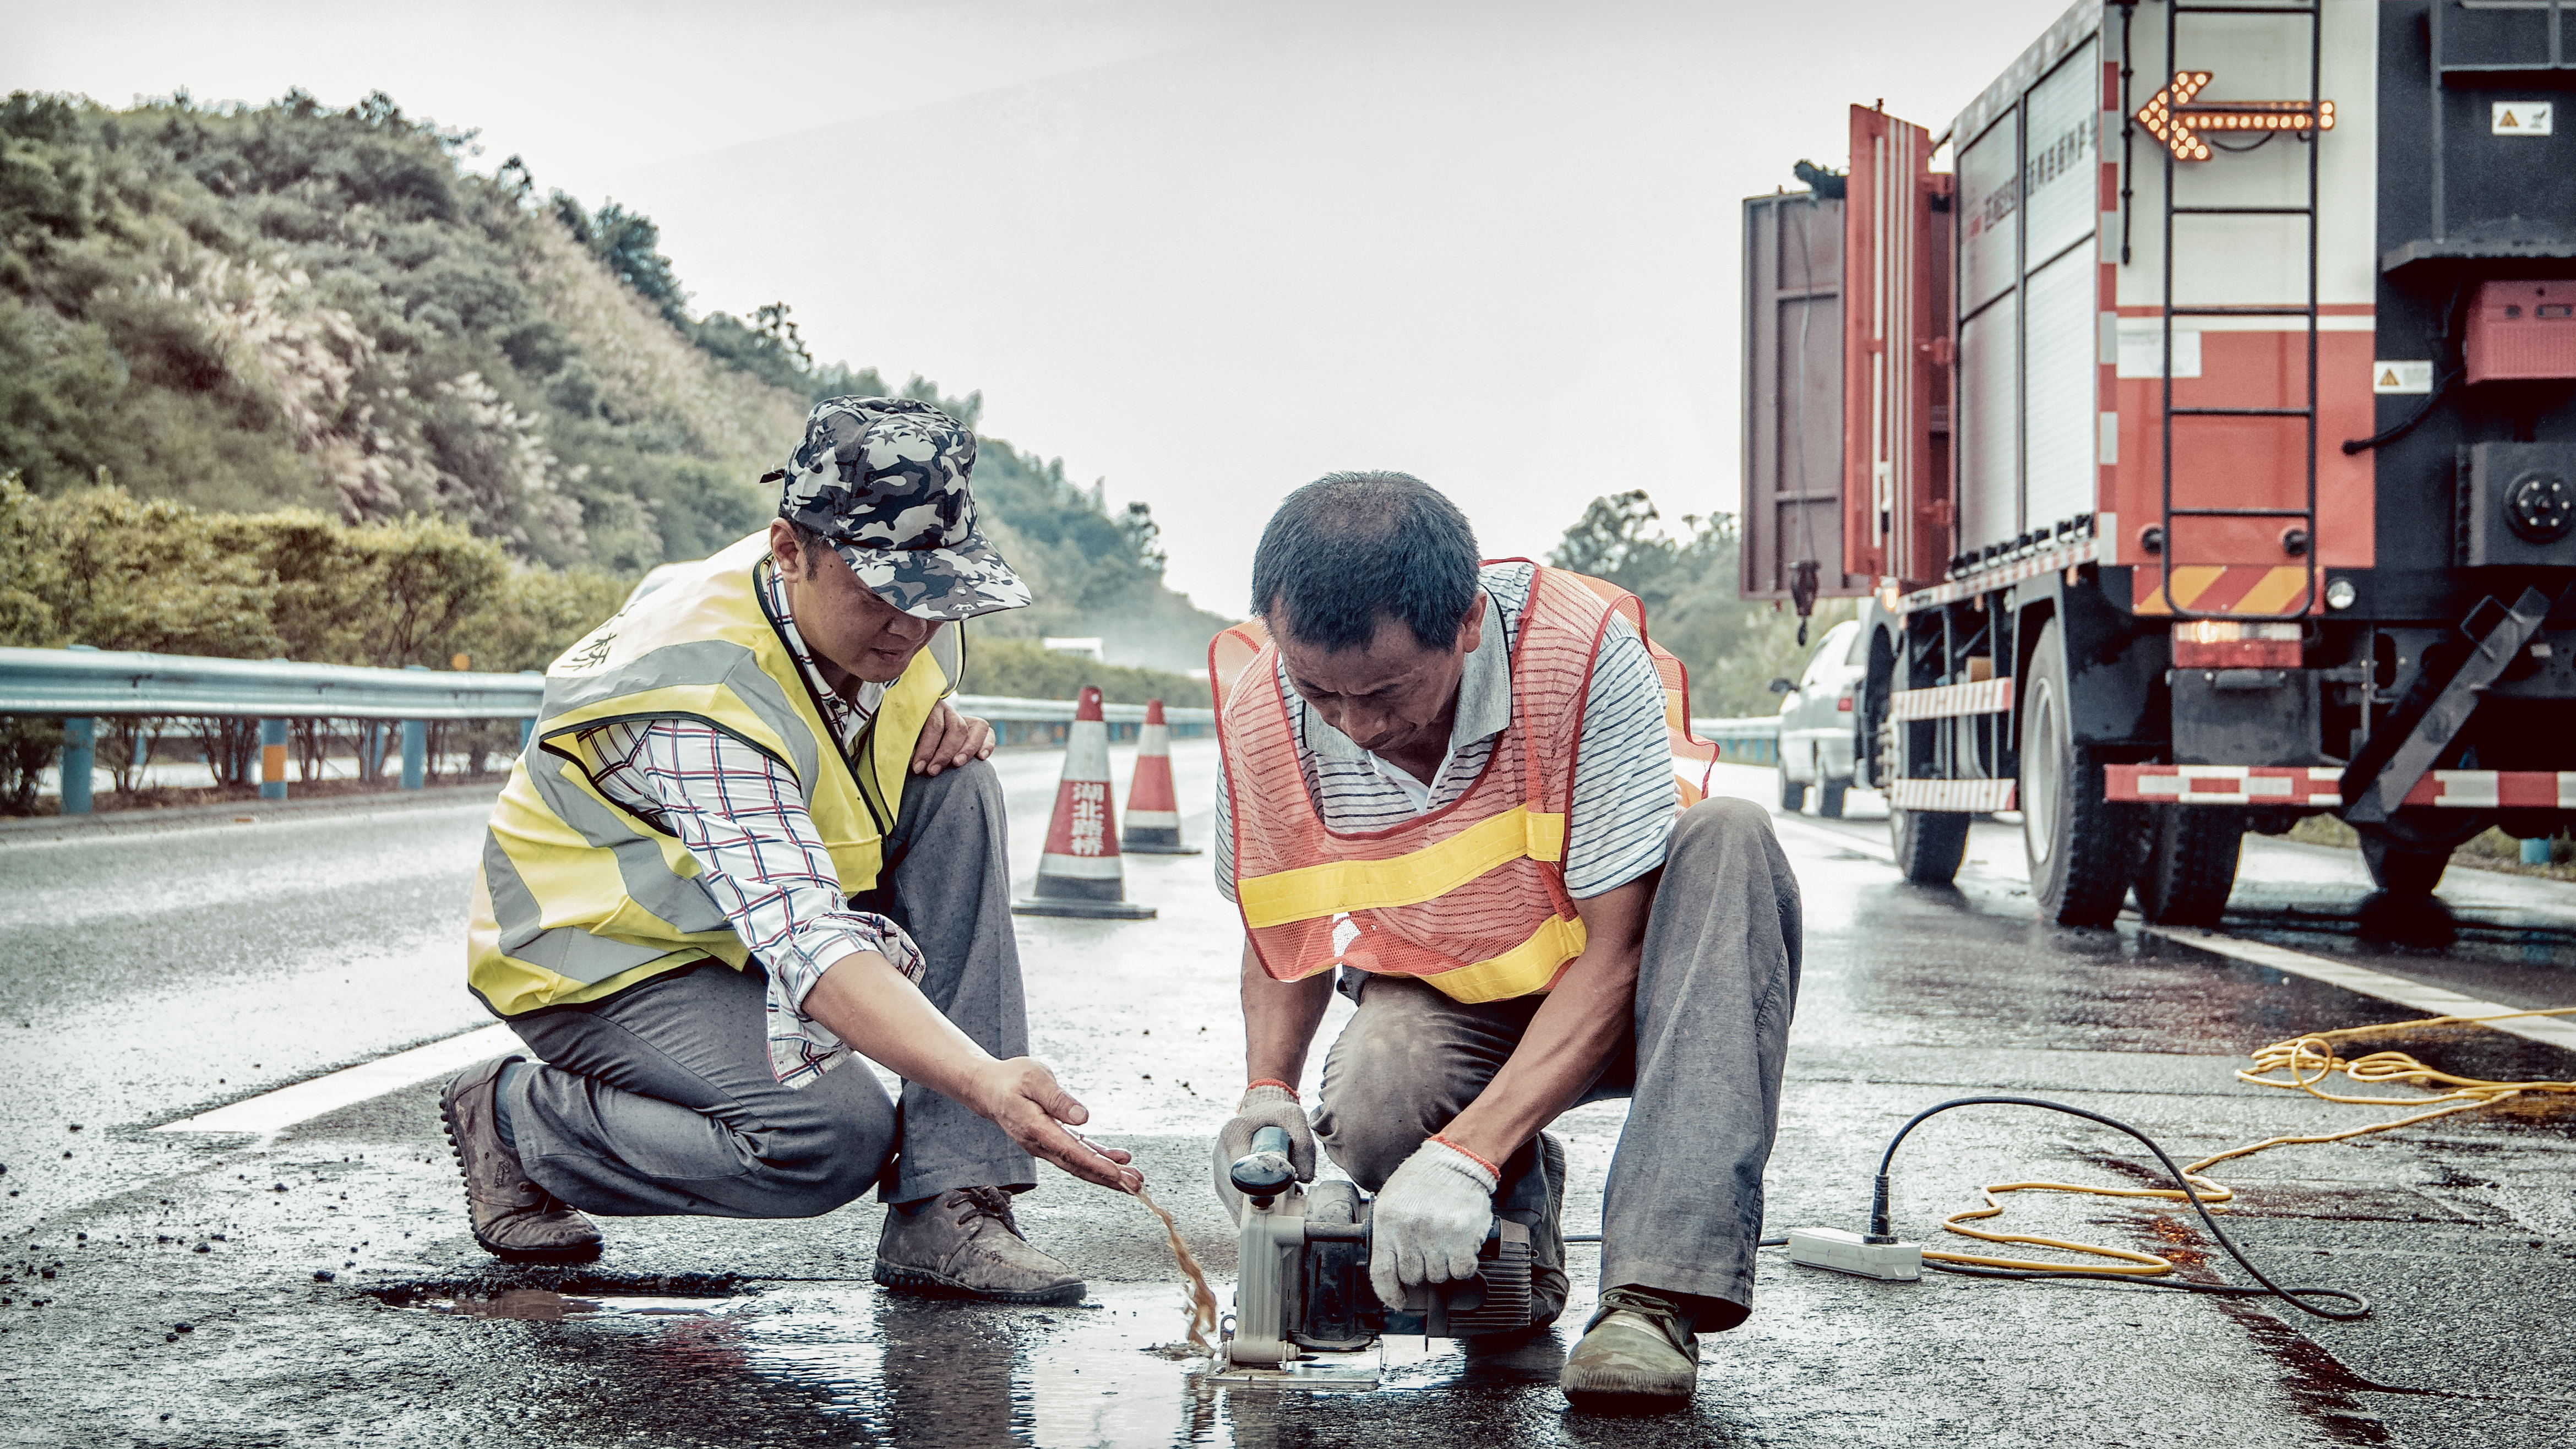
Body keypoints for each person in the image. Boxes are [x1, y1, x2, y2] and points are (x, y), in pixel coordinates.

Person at [446, 396, 1141, 1305]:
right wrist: (985, 1080)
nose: (908, 629)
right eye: (881, 597)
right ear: (790, 550)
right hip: (602, 957)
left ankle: (952, 1204)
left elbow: (850, 758)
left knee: (956, 786)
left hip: (731, 934)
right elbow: (807, 941)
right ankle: (516, 1120)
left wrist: (915, 729)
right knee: (826, 1140)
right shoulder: (700, 700)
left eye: (933, 601)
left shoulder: (873, 619)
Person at [1206, 472, 1800, 1408]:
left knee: (1729, 835)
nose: (1359, 727)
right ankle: (1510, 1268)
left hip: (1645, 989)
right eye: (1325, 694)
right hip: (1455, 990)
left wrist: (1463, 1155)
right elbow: (1282, 924)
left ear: (1468, 623)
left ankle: (1649, 1301)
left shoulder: (1578, 653)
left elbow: (1622, 947)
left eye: (1390, 691)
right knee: (1374, 1090)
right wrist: (1267, 1092)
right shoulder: (1262, 710)